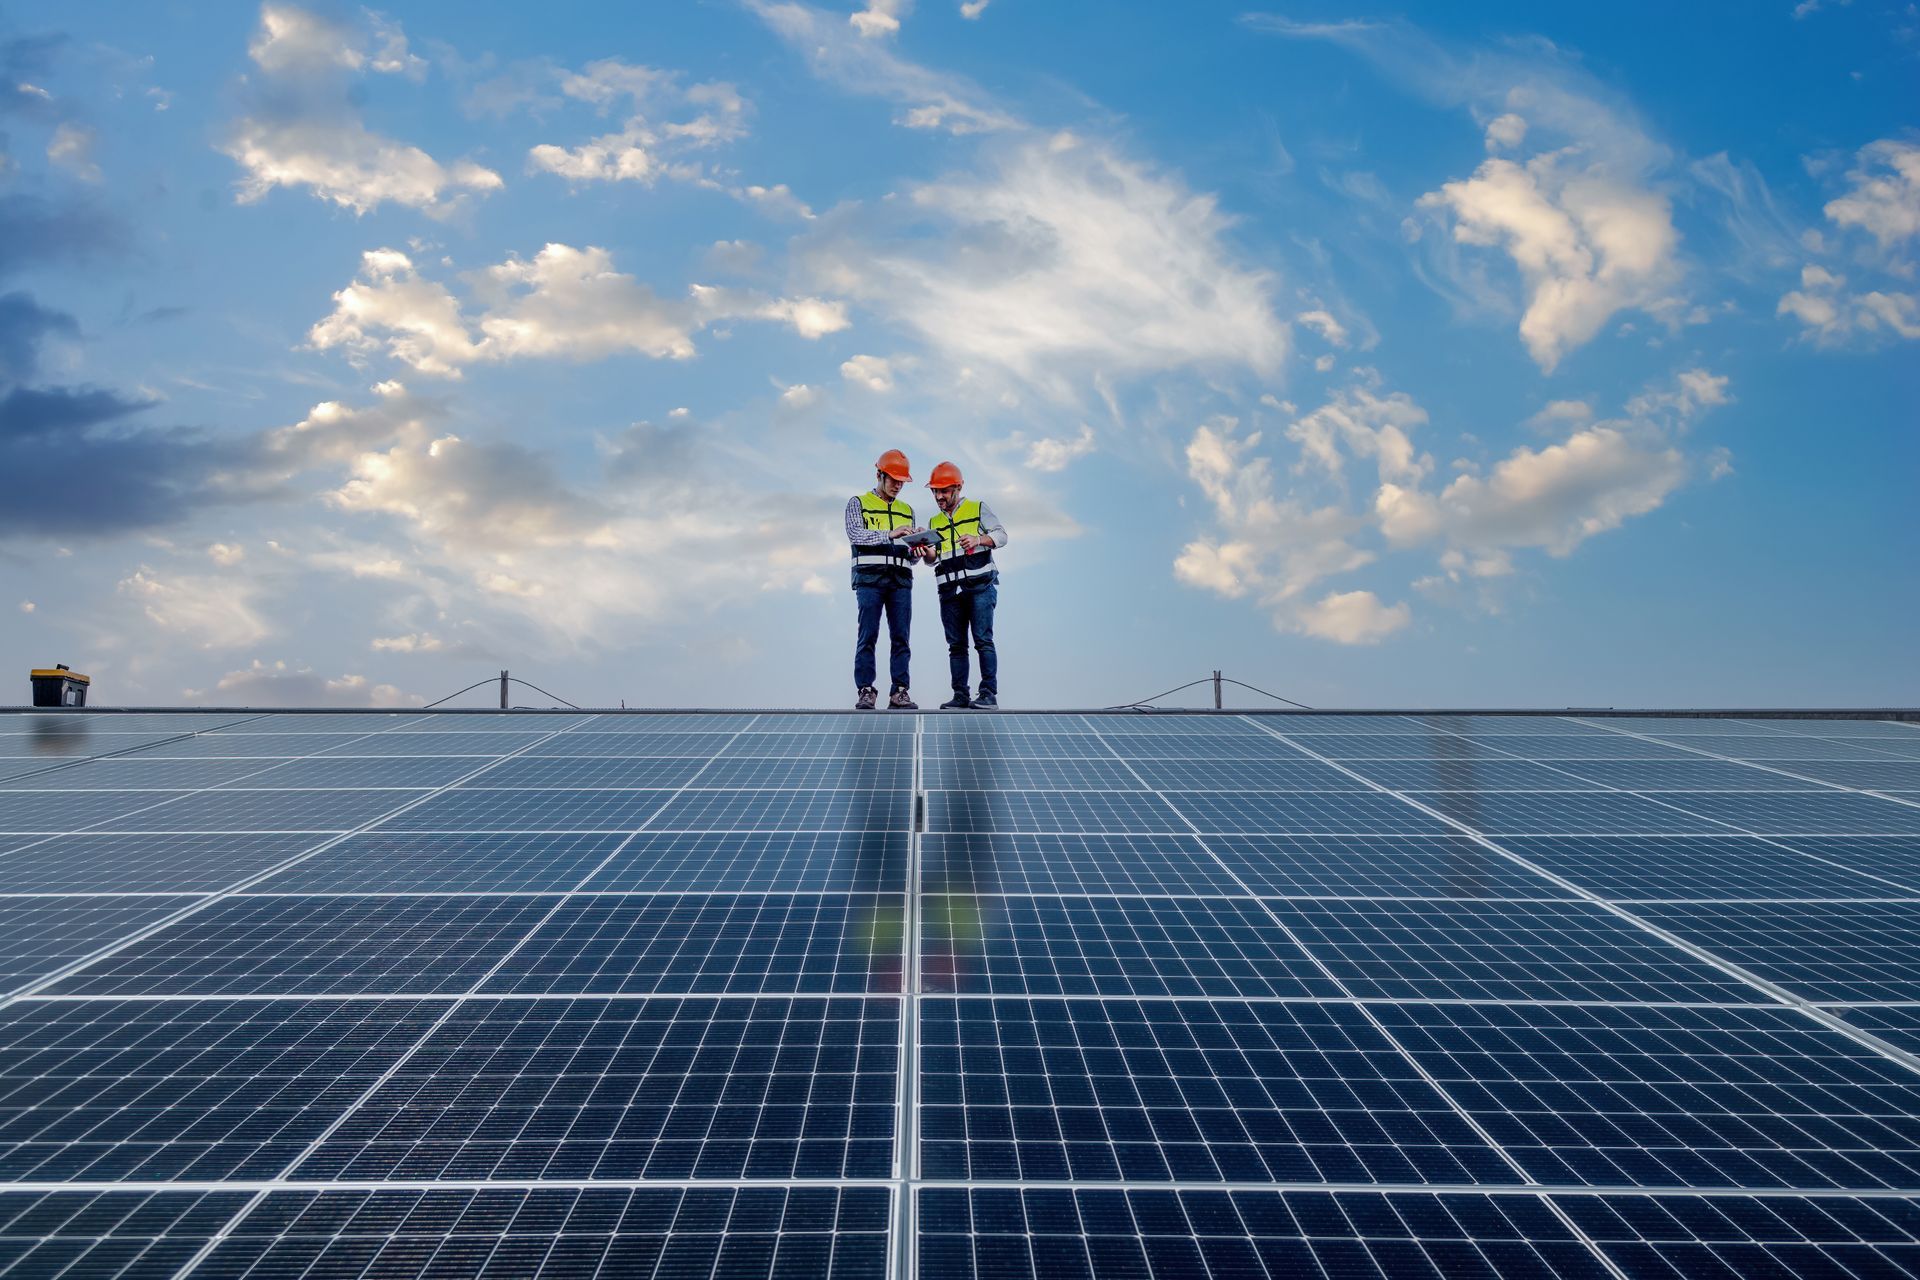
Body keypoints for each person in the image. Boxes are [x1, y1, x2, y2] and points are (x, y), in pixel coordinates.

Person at [845, 449, 928, 710]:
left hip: (900, 581)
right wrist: (890, 534)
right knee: (868, 635)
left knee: (901, 638)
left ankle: (899, 691)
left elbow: (910, 556)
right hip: (870, 580)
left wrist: (917, 548)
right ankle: (866, 690)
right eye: (893, 479)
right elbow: (856, 535)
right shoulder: (858, 503)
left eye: (901, 481)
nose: (897, 485)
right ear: (879, 474)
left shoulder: (908, 510)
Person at [926, 461, 1008, 709]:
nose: (939, 496)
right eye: (935, 491)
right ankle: (960, 695)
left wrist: (978, 539)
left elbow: (1002, 535)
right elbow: (933, 560)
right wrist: (924, 552)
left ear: (958, 488)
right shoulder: (934, 522)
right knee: (956, 646)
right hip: (950, 592)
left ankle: (988, 695)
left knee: (982, 639)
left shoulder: (977, 508)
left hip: (980, 587)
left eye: (944, 491)